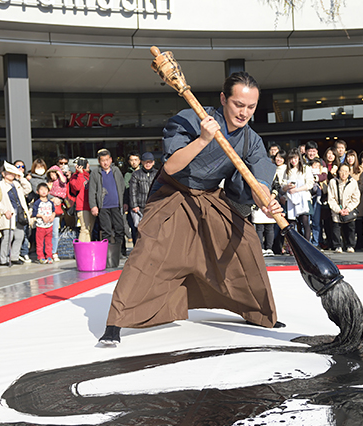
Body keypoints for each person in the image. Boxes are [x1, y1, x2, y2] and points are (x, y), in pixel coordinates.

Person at [99, 71, 283, 345]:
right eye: (238, 104)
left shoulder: (250, 139)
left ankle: (258, 311)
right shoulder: (192, 118)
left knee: (245, 242)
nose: (244, 113)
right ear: (223, 99)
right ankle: (116, 322)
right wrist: (203, 139)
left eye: (251, 107)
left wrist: (265, 200)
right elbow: (171, 166)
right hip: (173, 191)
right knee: (149, 251)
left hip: (209, 196)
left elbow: (258, 178)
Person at [89, 149, 126, 251]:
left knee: (119, 229)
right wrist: (93, 206)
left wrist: (124, 202)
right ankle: (107, 252)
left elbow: (122, 186)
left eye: (107, 160)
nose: (105, 163)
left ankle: (119, 250)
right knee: (106, 231)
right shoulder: (96, 173)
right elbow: (92, 191)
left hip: (116, 205)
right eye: (102, 160)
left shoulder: (116, 171)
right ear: (99, 161)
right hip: (103, 206)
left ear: (110, 160)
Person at [0, 163, 31, 266]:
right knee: (8, 237)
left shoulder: (17, 184)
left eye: (13, 173)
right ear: (3, 174)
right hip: (9, 214)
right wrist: (4, 211)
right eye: (9, 173)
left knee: (19, 236)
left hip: (19, 214)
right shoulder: (0, 185)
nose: (11, 175)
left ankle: (15, 257)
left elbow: (28, 189)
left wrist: (21, 178)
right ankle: (3, 258)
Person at [281, 147, 313, 241]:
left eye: (295, 158)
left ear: (299, 158)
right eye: (291, 158)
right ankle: (296, 244)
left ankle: (307, 244)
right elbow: (282, 186)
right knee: (292, 222)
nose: (293, 161)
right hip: (290, 199)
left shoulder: (306, 168)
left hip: (304, 198)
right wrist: (288, 187)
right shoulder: (287, 170)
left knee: (305, 221)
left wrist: (297, 190)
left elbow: (310, 184)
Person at [327, 163, 360, 253]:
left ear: (349, 172)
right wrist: (338, 210)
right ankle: (337, 245)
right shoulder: (333, 182)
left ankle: (350, 245)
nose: (344, 174)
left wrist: (348, 209)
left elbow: (356, 198)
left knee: (350, 228)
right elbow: (331, 199)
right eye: (342, 171)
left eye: (346, 171)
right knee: (336, 227)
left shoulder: (353, 182)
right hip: (337, 208)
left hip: (349, 209)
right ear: (338, 171)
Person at [128, 152, 157, 244]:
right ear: (142, 162)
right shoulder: (136, 174)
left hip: (153, 206)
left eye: (150, 162)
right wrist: (134, 205)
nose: (148, 164)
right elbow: (132, 191)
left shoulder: (157, 174)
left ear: (153, 162)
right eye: (146, 162)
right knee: (139, 230)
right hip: (140, 207)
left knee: (153, 230)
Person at [45, 164, 68, 261]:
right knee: (46, 232)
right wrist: (52, 198)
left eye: (54, 174)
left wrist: (59, 172)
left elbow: (64, 180)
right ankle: (47, 252)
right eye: (51, 174)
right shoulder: (46, 183)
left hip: (56, 208)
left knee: (55, 231)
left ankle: (54, 251)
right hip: (46, 208)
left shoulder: (61, 182)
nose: (52, 176)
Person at [69, 157, 94, 242]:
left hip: (91, 205)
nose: (88, 166)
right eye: (86, 164)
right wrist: (80, 173)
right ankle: (82, 251)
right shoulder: (74, 176)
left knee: (90, 229)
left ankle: (88, 250)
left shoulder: (90, 175)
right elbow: (77, 187)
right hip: (82, 206)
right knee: (84, 229)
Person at [31, 183, 56, 264]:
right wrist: (42, 216)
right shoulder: (37, 202)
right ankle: (40, 257)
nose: (44, 191)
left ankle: (49, 256)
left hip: (49, 225)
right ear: (37, 192)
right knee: (40, 242)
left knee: (49, 242)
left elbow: (54, 211)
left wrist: (53, 216)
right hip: (40, 226)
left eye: (45, 189)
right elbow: (34, 214)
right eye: (41, 190)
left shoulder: (50, 202)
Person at [123, 151, 141, 242]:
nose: (134, 162)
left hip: (144, 204)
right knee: (134, 227)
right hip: (132, 205)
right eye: (132, 160)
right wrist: (125, 202)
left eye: (136, 160)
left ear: (140, 161)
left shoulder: (145, 172)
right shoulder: (128, 175)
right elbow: (126, 190)